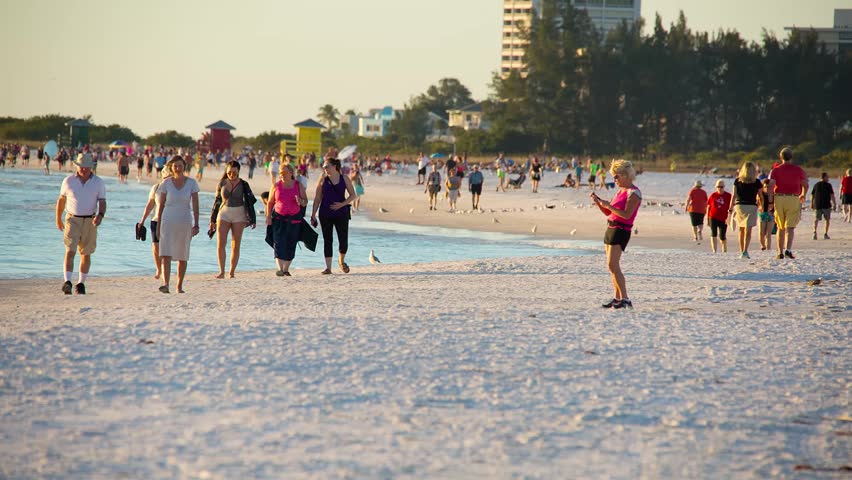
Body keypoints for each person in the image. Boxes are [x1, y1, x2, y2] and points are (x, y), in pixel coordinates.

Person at [590, 160, 641, 309]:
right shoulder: (620, 191)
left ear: (625, 175)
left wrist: (608, 205)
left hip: (621, 230)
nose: (615, 180)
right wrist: (599, 203)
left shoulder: (634, 192)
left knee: (613, 265)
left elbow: (626, 214)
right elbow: (609, 212)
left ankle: (625, 298)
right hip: (611, 228)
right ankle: (617, 297)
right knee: (611, 267)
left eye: (617, 177)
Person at [55, 153, 106, 295]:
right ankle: (67, 282)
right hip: (72, 219)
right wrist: (58, 218)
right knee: (70, 250)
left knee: (86, 253)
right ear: (77, 166)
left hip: (90, 220)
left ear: (91, 167)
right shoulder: (68, 181)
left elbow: (102, 201)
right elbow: (61, 201)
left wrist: (100, 216)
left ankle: (81, 283)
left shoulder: (98, 182)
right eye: (82, 167)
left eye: (87, 167)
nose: (84, 169)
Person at [156, 156, 200, 293]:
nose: (177, 168)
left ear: (184, 166)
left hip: (184, 220)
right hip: (167, 220)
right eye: (175, 166)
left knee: (182, 254)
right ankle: (166, 283)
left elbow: (195, 205)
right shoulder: (166, 183)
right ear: (171, 167)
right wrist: (157, 225)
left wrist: (197, 223)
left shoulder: (192, 183)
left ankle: (179, 286)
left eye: (180, 165)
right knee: (165, 253)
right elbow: (161, 205)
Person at [209, 160, 257, 279]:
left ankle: (231, 272)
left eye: (234, 173)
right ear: (227, 171)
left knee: (235, 244)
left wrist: (252, 219)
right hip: (224, 213)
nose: (231, 175)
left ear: (238, 172)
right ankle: (221, 271)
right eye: (230, 172)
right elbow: (217, 201)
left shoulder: (244, 184)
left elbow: (251, 202)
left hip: (239, 214)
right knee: (221, 244)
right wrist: (212, 220)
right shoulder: (222, 183)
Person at [311, 157, 357, 275]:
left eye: (327, 166)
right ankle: (328, 268)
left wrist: (342, 204)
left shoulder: (344, 178)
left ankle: (341, 261)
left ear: (334, 166)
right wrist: (313, 214)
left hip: (341, 213)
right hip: (325, 213)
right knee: (328, 240)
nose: (324, 169)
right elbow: (317, 198)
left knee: (343, 239)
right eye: (324, 167)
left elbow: (353, 195)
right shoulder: (322, 179)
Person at [267, 164, 308, 276]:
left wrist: (300, 201)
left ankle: (286, 269)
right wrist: (268, 217)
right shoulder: (276, 186)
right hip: (278, 218)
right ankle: (280, 269)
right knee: (278, 242)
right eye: (280, 173)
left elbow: (305, 201)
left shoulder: (298, 185)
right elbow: (270, 202)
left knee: (291, 243)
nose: (282, 175)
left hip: (294, 219)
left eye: (284, 173)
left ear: (291, 173)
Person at [768, 147, 808, 259]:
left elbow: (770, 185)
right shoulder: (798, 170)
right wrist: (803, 194)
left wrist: (770, 201)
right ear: (791, 157)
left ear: (781, 157)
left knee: (780, 227)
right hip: (793, 198)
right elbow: (805, 184)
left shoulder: (775, 170)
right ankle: (788, 250)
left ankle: (780, 252)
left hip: (779, 198)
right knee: (790, 227)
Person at [139, 169, 167, 279]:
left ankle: (165, 269)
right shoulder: (156, 188)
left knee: (166, 247)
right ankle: (159, 269)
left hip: (169, 221)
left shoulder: (174, 189)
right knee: (156, 246)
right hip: (156, 221)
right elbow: (149, 205)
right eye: (165, 175)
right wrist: (142, 221)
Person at [731, 162, 764, 258]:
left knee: (741, 230)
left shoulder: (737, 181)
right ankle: (745, 251)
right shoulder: (757, 182)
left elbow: (734, 195)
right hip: (751, 206)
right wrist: (762, 206)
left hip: (740, 206)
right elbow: (761, 196)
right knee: (748, 230)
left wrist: (730, 208)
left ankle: (742, 251)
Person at [707, 179, 732, 254]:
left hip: (724, 218)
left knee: (722, 235)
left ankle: (724, 250)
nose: (720, 188)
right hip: (713, 217)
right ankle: (714, 250)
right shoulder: (713, 195)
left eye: (721, 187)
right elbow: (708, 207)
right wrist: (707, 219)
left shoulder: (728, 196)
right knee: (713, 233)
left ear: (724, 187)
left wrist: (730, 218)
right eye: (718, 187)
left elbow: (731, 207)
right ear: (716, 187)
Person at [810, 172, 836, 240]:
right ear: (824, 177)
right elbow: (832, 195)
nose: (828, 178)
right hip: (826, 205)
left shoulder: (816, 185)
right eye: (827, 177)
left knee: (816, 219)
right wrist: (834, 204)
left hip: (818, 204)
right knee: (827, 220)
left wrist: (812, 203)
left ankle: (815, 232)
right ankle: (825, 233)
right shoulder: (828, 185)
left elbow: (812, 195)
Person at [758, 178, 775, 251]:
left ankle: (768, 248)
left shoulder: (774, 195)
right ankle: (762, 245)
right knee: (762, 232)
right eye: (765, 187)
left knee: (768, 233)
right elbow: (757, 204)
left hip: (771, 215)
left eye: (768, 187)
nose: (767, 189)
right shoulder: (760, 195)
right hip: (762, 214)